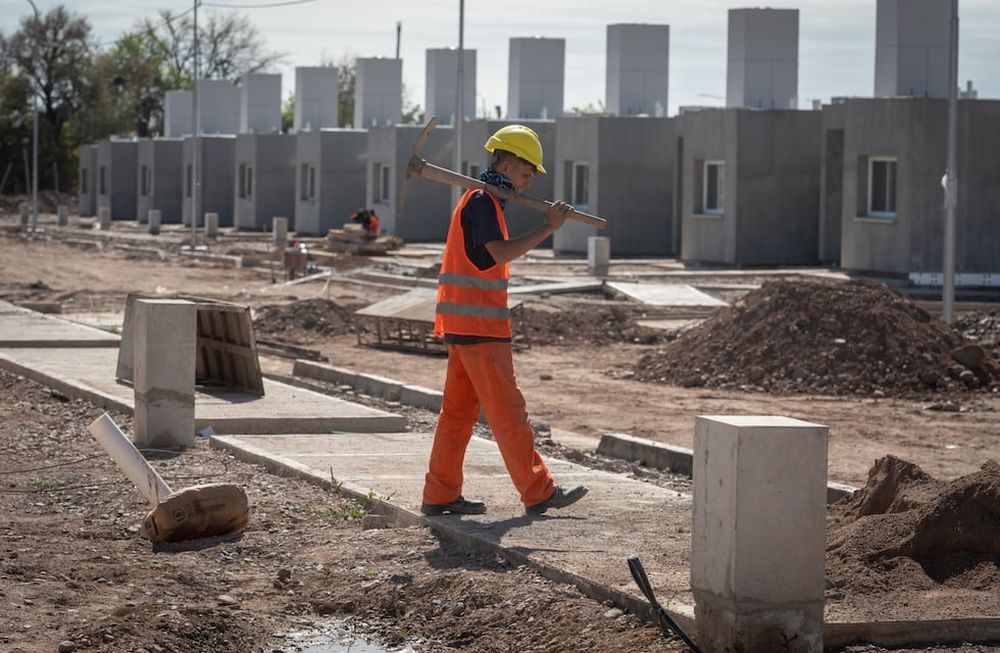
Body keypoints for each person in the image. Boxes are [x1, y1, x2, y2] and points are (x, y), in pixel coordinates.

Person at [421, 125, 588, 517]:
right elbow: (494, 255)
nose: (527, 184)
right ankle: (538, 491)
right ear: (508, 164)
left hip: (464, 327)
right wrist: (548, 227)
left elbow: (482, 259)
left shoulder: (479, 201)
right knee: (508, 412)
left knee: (458, 415)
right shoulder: (482, 202)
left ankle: (440, 494)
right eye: (526, 175)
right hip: (480, 330)